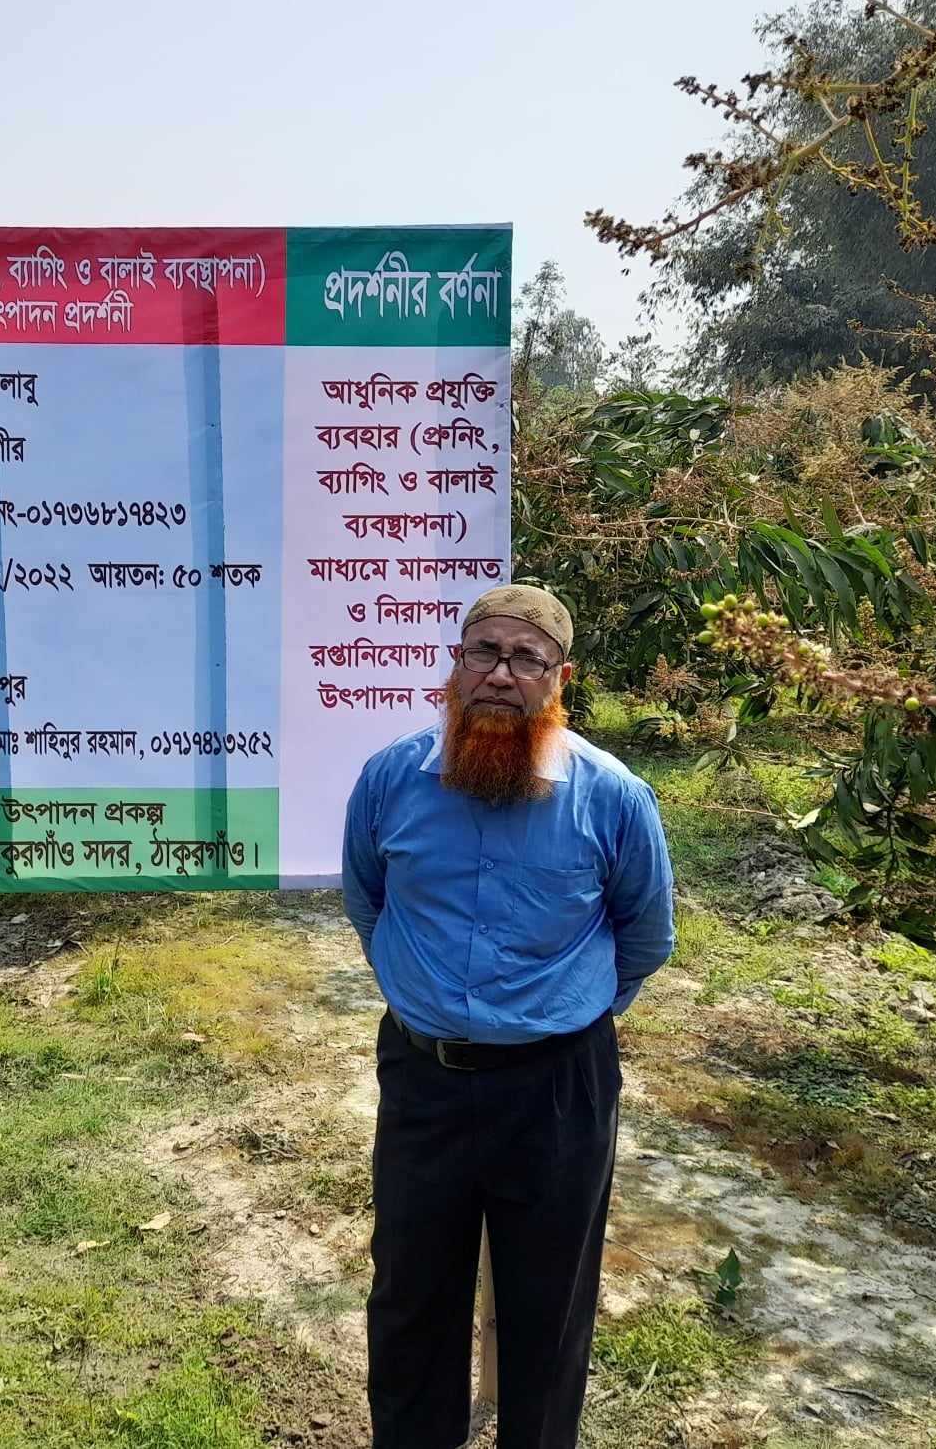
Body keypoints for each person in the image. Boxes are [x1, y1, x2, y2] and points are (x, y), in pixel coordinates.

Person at [340, 583, 675, 1449]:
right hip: (424, 1080)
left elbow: (645, 935)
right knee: (410, 1292)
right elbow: (369, 901)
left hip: (558, 1090)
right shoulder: (390, 779)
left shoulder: (612, 796)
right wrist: (423, 994)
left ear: (560, 678)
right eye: (483, 652)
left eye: (527, 659)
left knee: (548, 1306)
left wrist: (560, 1019)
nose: (500, 673)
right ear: (455, 666)